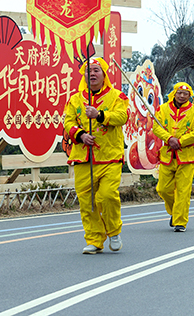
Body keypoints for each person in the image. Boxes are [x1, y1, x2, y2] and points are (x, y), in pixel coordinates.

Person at [64, 57, 129, 254]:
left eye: (96, 70)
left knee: (108, 196)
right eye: (88, 71)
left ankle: (114, 230)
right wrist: (81, 135)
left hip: (109, 156)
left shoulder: (118, 96)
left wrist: (100, 115)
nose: (91, 74)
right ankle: (94, 239)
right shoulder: (75, 99)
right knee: (87, 200)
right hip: (84, 157)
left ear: (104, 74)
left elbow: (123, 116)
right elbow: (68, 122)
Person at [153, 82, 194, 232]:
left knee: (183, 191)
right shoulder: (162, 109)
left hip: (187, 157)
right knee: (163, 189)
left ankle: (180, 222)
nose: (182, 96)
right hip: (167, 155)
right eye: (179, 93)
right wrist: (169, 139)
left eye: (185, 94)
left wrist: (181, 142)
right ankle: (175, 212)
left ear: (190, 96)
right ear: (174, 93)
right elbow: (156, 126)